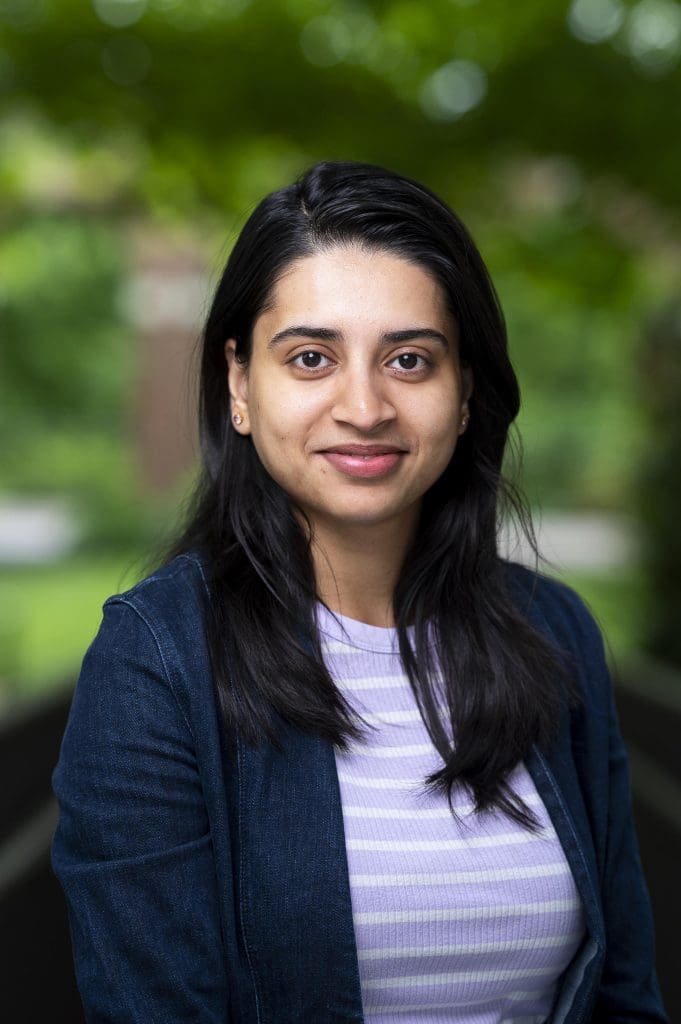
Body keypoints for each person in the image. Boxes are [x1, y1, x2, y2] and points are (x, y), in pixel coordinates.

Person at [51, 160, 667, 1024]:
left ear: (464, 394)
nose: (365, 405)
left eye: (409, 360)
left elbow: (624, 994)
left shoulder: (551, 631)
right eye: (311, 358)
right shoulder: (158, 662)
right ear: (238, 384)